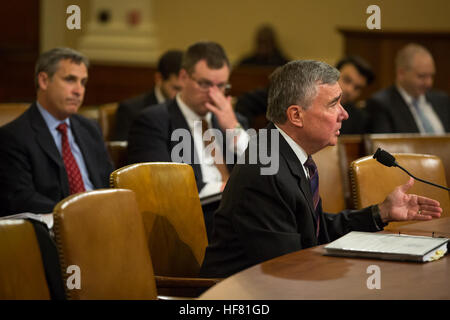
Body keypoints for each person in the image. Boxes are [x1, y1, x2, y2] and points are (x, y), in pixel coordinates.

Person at [200, 60, 442, 278]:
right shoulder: (266, 172)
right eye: (333, 104)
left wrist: (381, 212)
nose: (344, 114)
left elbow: (313, 230)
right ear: (296, 115)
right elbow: (284, 267)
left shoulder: (287, 152)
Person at [127, 42, 249, 237]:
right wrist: (227, 189)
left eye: (220, 86)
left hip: (237, 217)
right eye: (204, 84)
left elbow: (264, 171)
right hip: (191, 223)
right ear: (183, 77)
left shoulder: (234, 121)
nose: (213, 94)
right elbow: (159, 188)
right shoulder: (153, 121)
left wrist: (234, 130)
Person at [0, 48, 113, 216]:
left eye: (83, 82)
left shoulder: (90, 128)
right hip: (54, 227)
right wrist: (76, 214)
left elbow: (108, 181)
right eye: (70, 80)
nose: (79, 90)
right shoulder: (13, 136)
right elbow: (22, 198)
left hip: (102, 218)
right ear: (44, 81)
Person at [366, 43, 449, 133]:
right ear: (401, 73)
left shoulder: (442, 100)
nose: (429, 83)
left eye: (431, 76)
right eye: (422, 76)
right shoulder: (381, 104)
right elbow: (383, 145)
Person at [113, 49, 184, 140]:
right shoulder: (131, 110)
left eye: (185, 89)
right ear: (159, 79)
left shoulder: (189, 106)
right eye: (176, 88)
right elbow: (124, 151)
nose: (180, 95)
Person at [336, 55, 375, 134]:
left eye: (357, 88)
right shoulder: (309, 104)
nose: (349, 90)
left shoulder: (360, 119)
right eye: (346, 80)